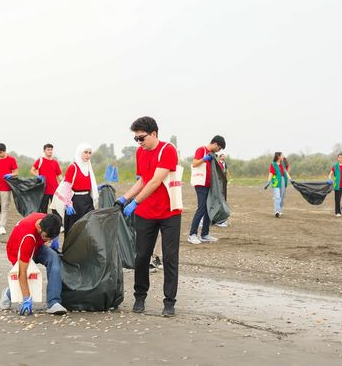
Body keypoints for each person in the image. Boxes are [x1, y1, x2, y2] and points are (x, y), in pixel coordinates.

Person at [115, 116, 182, 317]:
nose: (139, 142)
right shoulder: (140, 152)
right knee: (142, 256)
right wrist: (124, 198)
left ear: (153, 134)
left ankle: (169, 302)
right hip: (146, 213)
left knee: (170, 257)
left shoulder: (167, 150)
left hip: (169, 212)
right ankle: (139, 297)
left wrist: (135, 202)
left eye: (141, 138)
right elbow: (143, 180)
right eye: (136, 138)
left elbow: (155, 181)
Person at [0, 213, 67, 315]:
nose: (48, 241)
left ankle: (53, 302)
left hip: (36, 246)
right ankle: (9, 293)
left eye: (51, 239)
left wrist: (54, 239)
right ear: (39, 227)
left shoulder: (47, 221)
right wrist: (26, 298)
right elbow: (22, 272)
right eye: (46, 237)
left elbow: (53, 227)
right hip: (18, 251)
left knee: (54, 258)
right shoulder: (28, 238)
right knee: (29, 274)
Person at [188, 136, 226, 245]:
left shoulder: (212, 154)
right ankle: (192, 235)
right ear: (215, 144)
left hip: (210, 185)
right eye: (219, 148)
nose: (218, 150)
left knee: (209, 208)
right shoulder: (202, 150)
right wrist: (204, 159)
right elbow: (194, 163)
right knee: (201, 208)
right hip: (201, 184)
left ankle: (204, 234)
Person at [62, 143, 99, 235]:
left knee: (89, 228)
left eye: (90, 153)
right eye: (85, 152)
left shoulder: (89, 168)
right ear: (80, 152)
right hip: (76, 202)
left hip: (88, 201)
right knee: (74, 229)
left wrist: (97, 188)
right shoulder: (73, 167)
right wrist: (68, 204)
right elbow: (66, 187)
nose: (88, 155)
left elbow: (88, 184)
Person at [0, 143, 18, 235]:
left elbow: (16, 172)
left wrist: (11, 175)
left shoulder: (11, 160)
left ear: (5, 151)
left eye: (0, 152)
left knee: (4, 208)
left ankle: (2, 227)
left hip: (6, 188)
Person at [30, 143, 63, 213]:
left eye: (51, 150)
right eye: (48, 150)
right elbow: (32, 170)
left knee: (56, 210)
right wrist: (37, 176)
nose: (50, 151)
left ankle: (56, 220)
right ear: (44, 151)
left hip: (54, 190)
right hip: (44, 190)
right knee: (43, 210)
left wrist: (64, 183)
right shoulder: (40, 160)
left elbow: (59, 175)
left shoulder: (55, 162)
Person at [264, 152, 294, 218]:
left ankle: (280, 210)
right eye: (282, 155)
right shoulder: (273, 164)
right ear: (278, 156)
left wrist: (291, 179)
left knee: (282, 197)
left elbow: (286, 172)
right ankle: (277, 211)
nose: (283, 156)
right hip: (276, 181)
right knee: (277, 197)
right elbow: (271, 173)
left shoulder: (283, 164)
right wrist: (268, 182)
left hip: (283, 180)